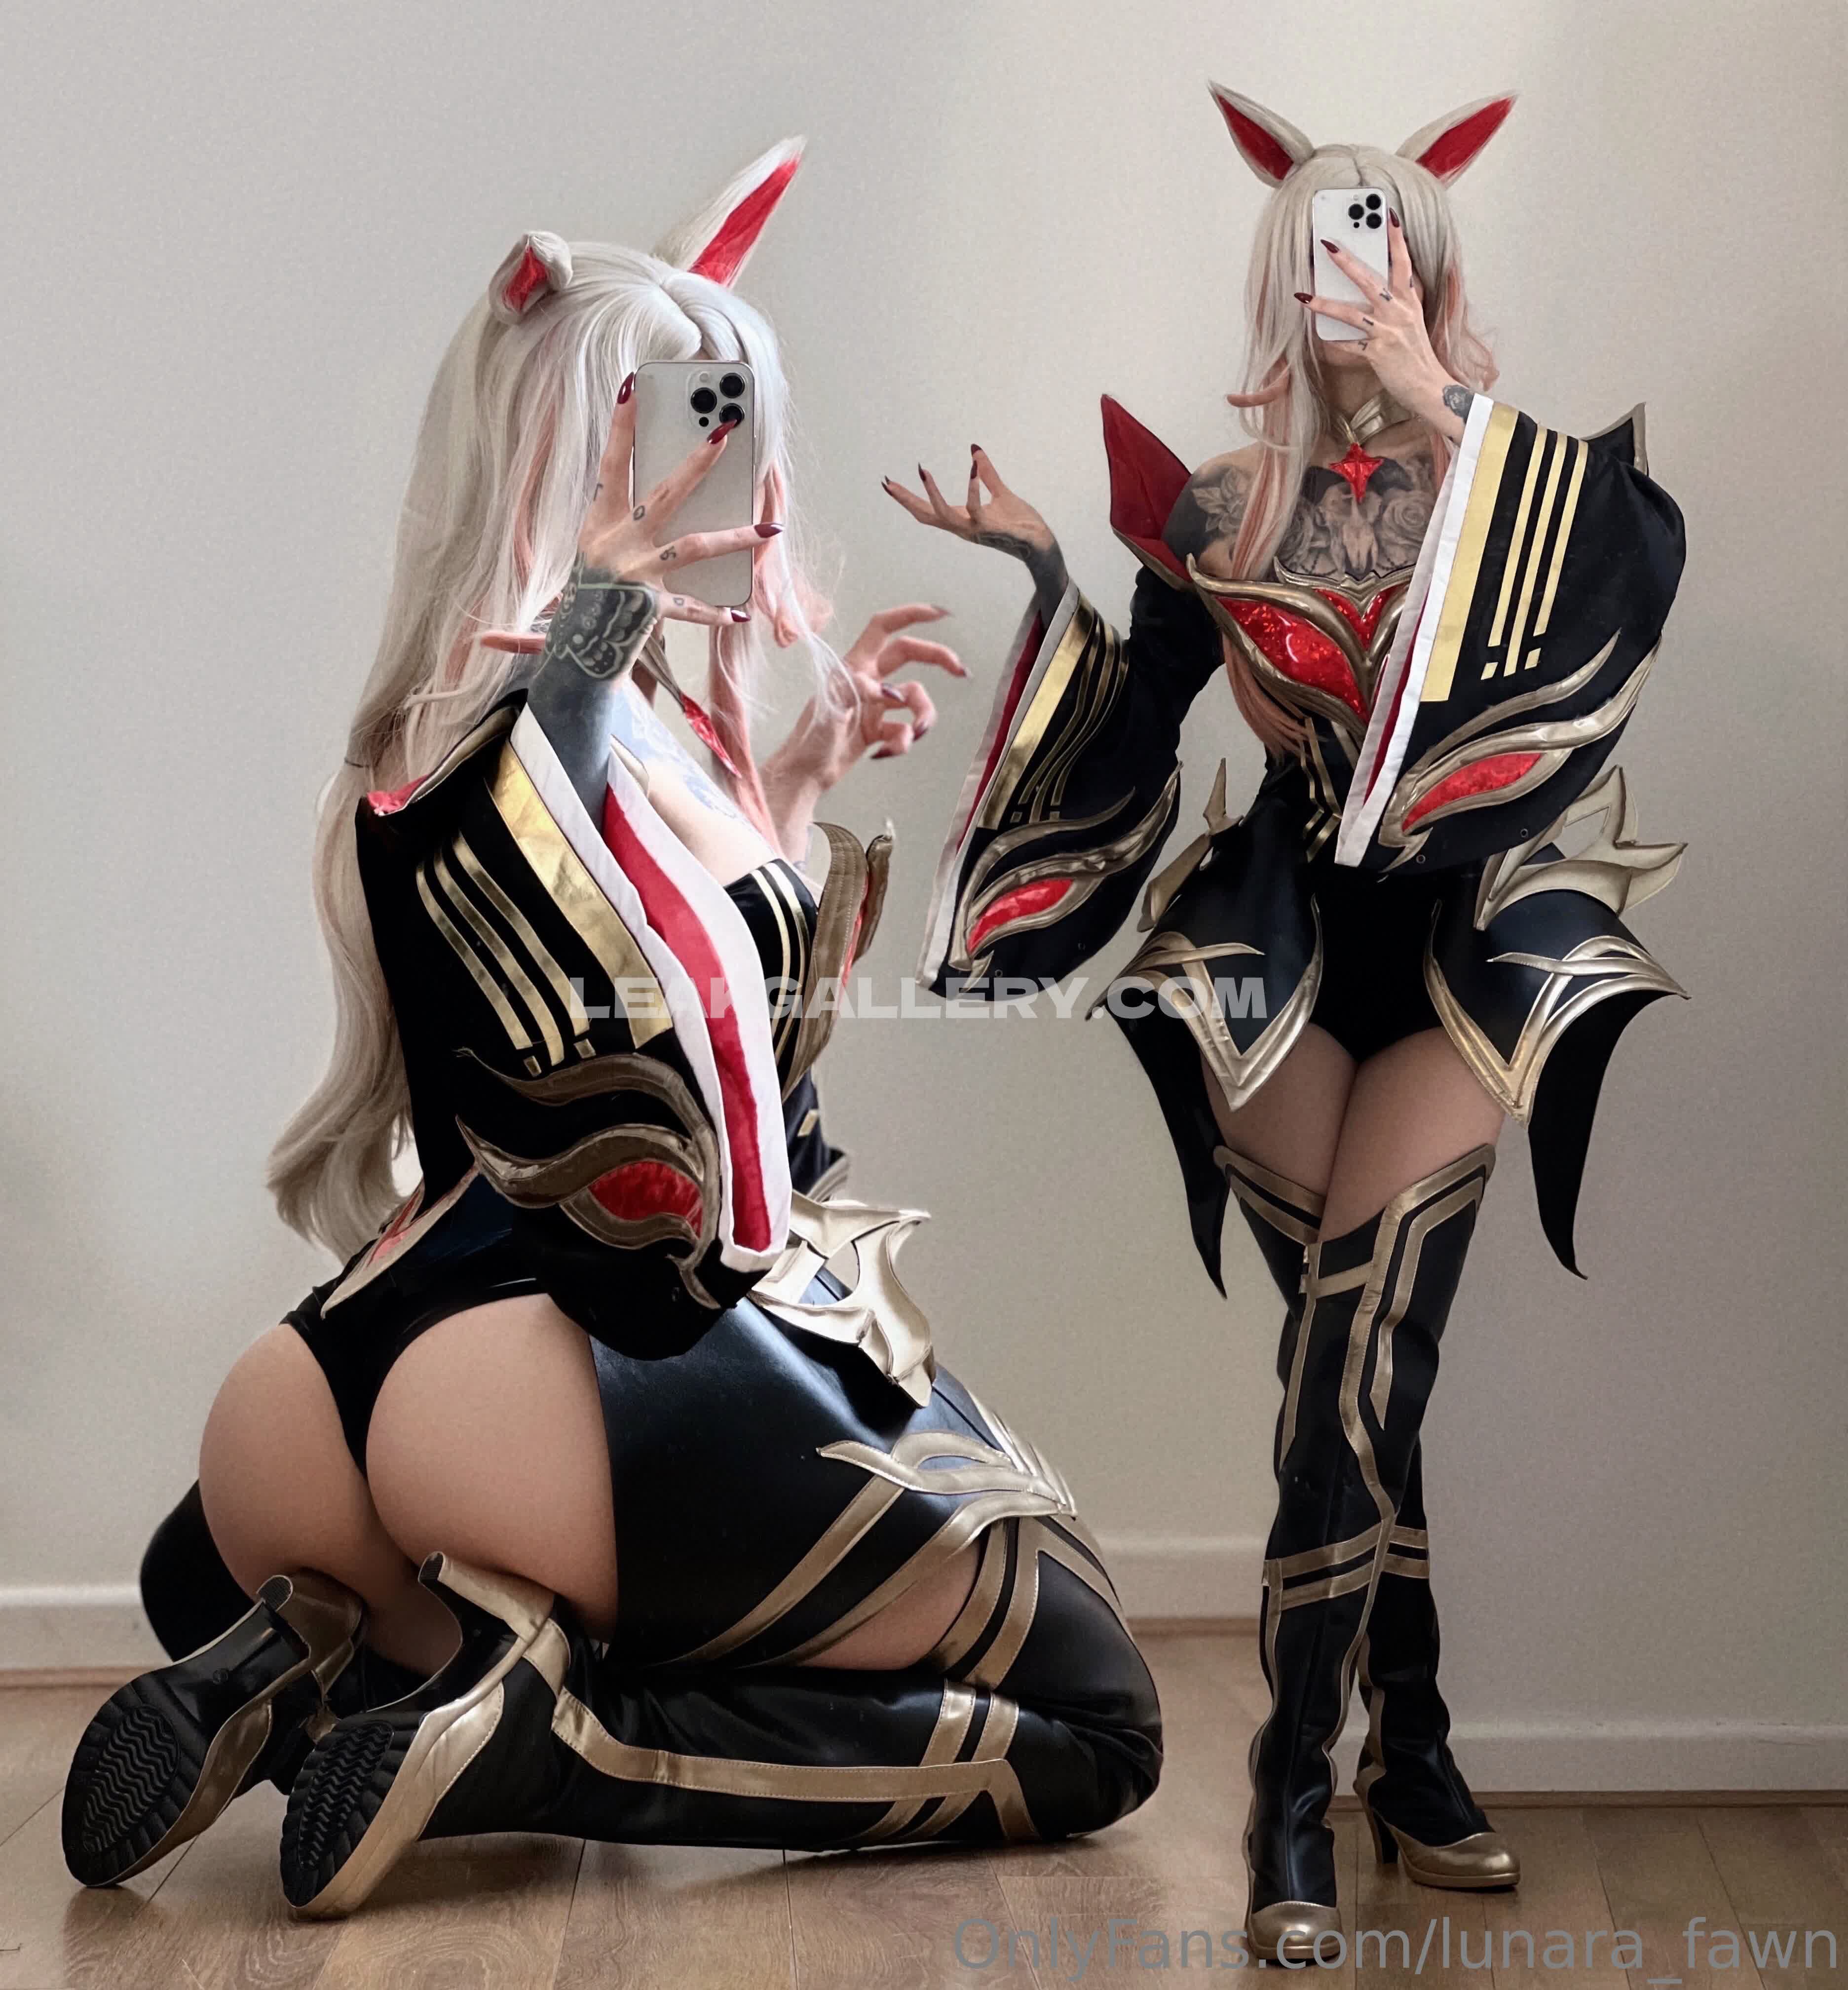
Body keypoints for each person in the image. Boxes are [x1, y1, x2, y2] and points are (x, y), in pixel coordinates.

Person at [61, 139, 1160, 1920]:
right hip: (570, 1368)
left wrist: (791, 785)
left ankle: (317, 1657)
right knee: (1101, 1719)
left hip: (322, 1404)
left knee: (584, 1612)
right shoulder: (513, 714)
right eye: (690, 426)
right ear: (573, 450)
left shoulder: (590, 723)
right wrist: (590, 632)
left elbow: (639, 996)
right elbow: (498, 856)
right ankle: (544, 1741)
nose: (734, 474)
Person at [888, 84, 1685, 1964]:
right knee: (1356, 1372)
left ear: (1434, 261)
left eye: (1384, 234)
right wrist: (1043, 570)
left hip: (1470, 955)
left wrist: (1438, 408)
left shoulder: (1528, 486)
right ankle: (1408, 1750)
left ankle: (1288, 1797)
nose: (1352, 270)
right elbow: (1140, 727)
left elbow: (1629, 597)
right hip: (1278, 960)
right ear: (1281, 268)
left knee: (1353, 1370)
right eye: (1322, 239)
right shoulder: (1229, 504)